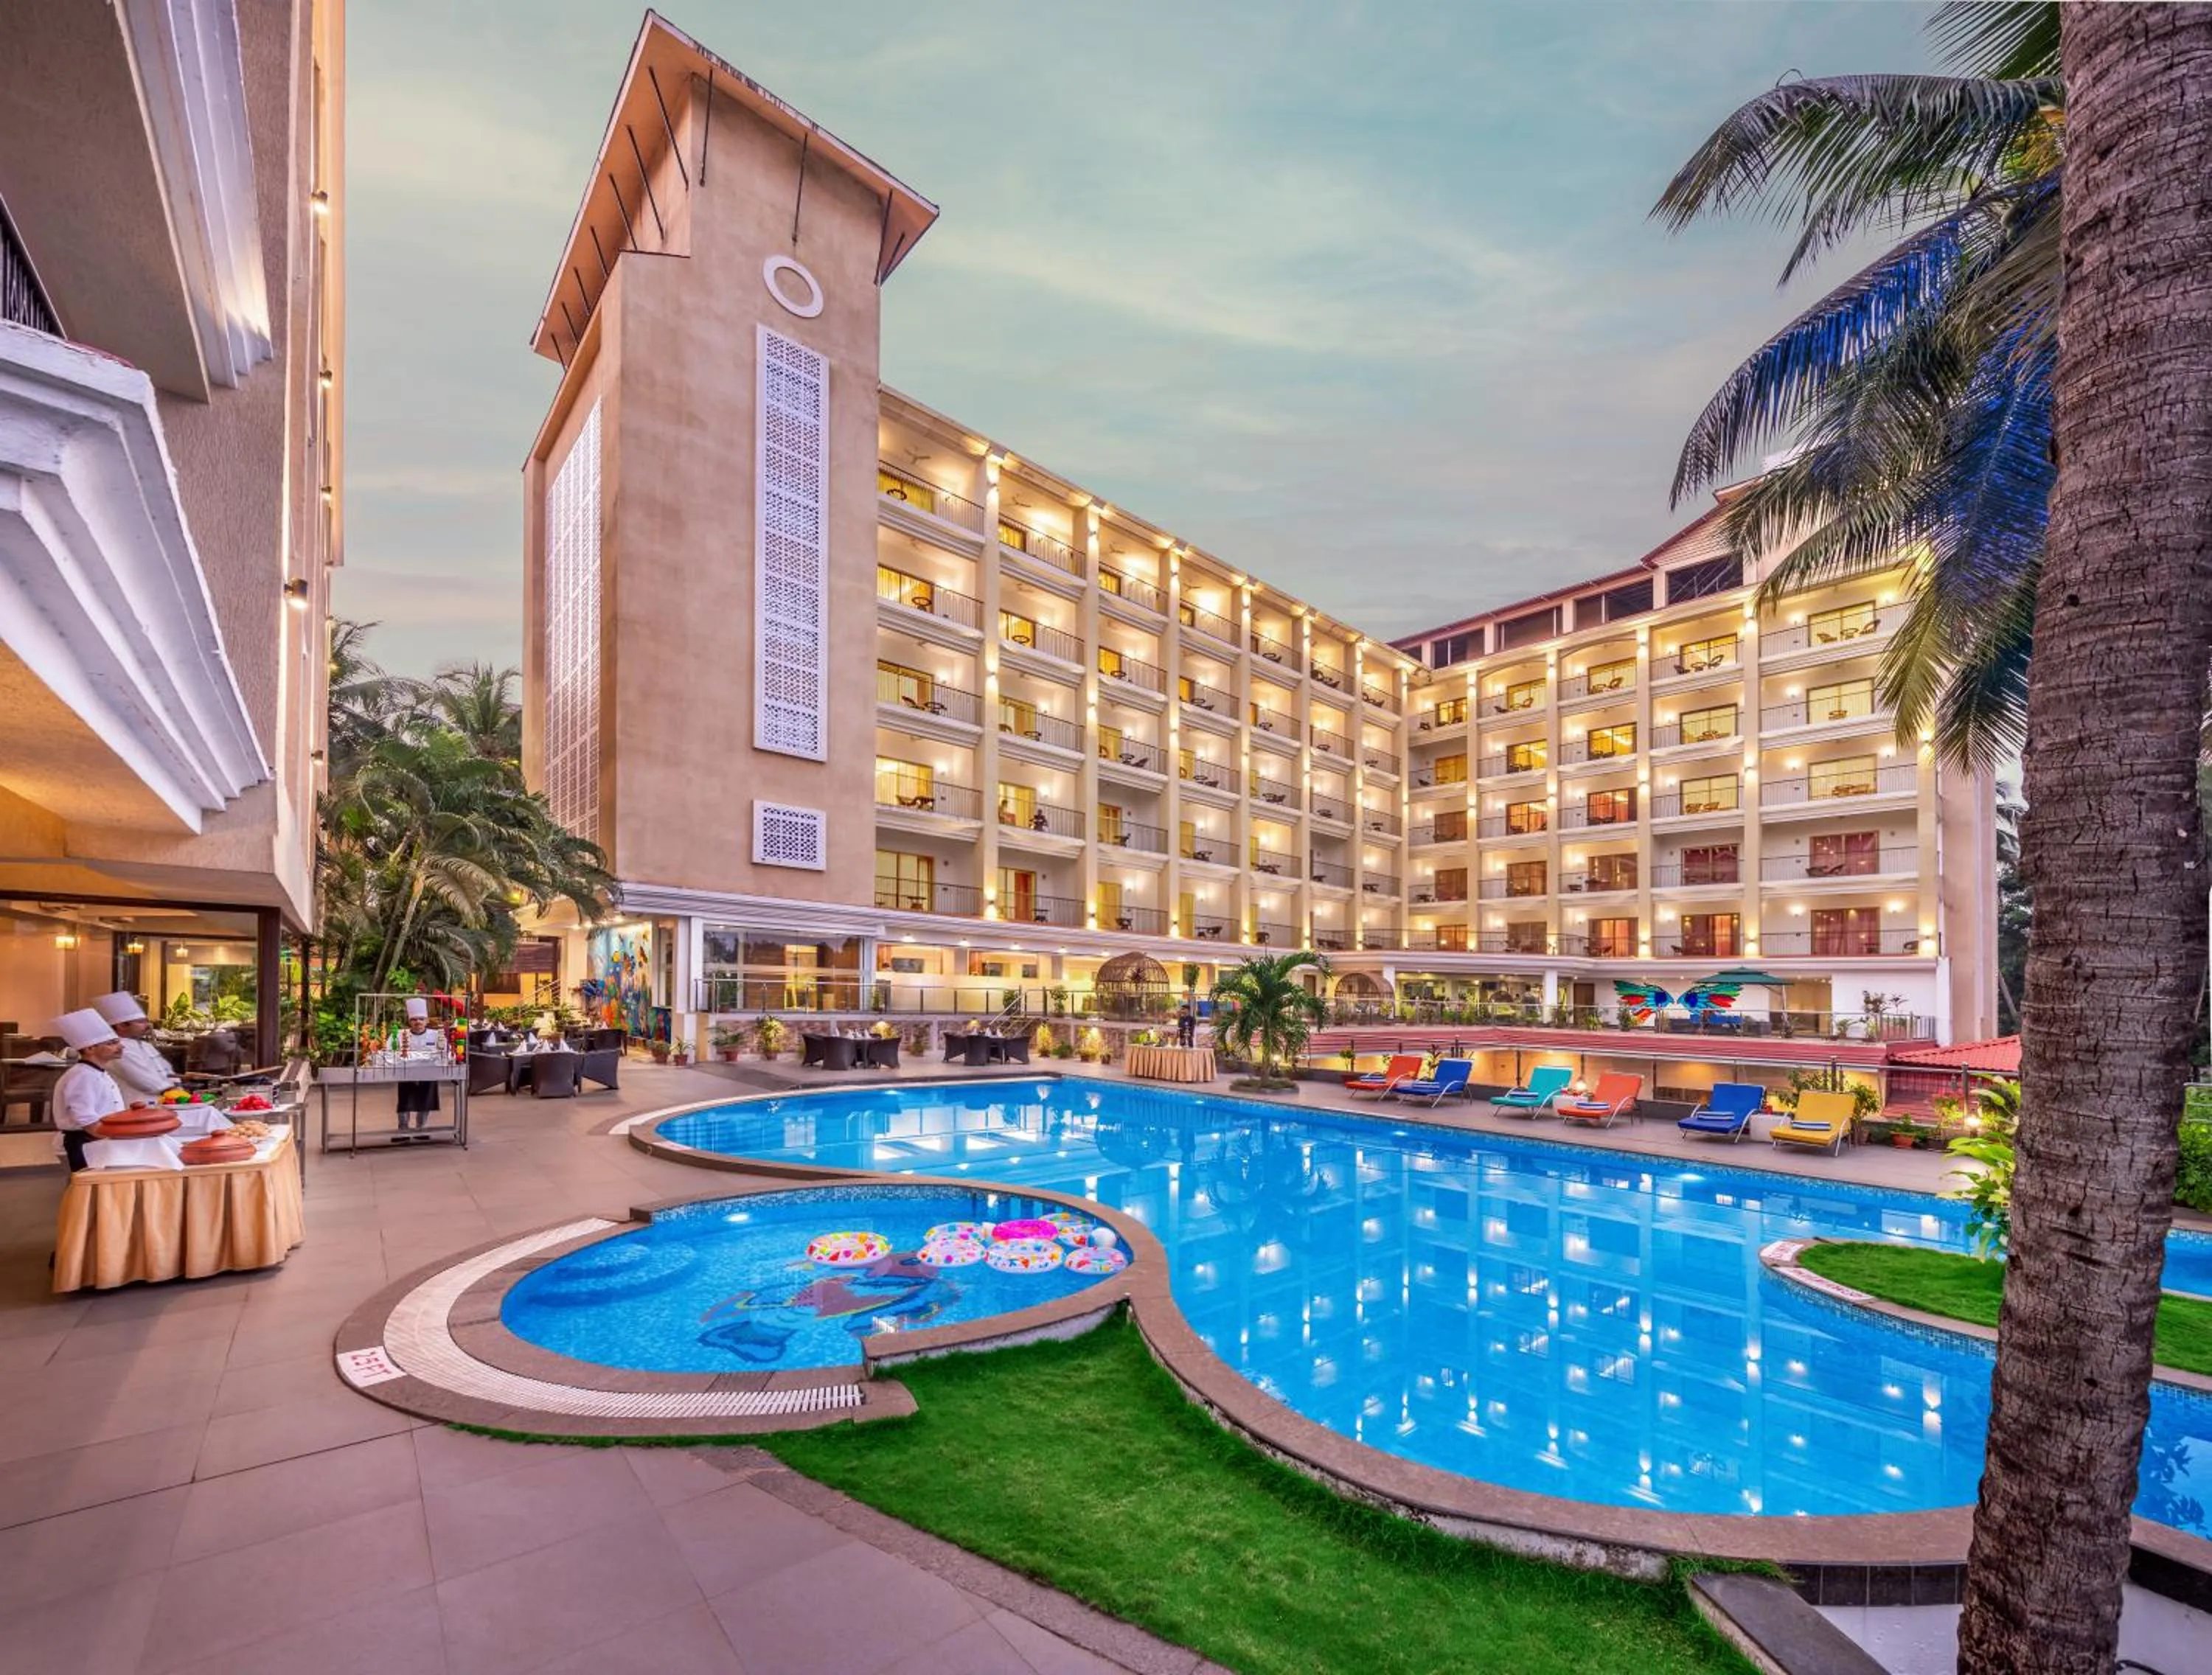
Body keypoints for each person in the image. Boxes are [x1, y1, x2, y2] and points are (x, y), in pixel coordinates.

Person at [49, 1009, 131, 1171]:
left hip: (97, 1138)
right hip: (85, 1141)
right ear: (90, 1049)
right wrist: (118, 1138)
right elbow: (86, 1120)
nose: (121, 1046)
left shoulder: (96, 1072)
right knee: (90, 1185)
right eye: (112, 1043)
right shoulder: (83, 1076)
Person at [90, 991, 179, 1104]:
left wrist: (178, 1085)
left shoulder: (146, 1045)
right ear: (122, 1026)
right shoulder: (117, 1049)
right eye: (141, 1022)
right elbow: (145, 1081)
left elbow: (167, 1069)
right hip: (136, 1105)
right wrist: (174, 1091)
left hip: (166, 1102)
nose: (148, 1025)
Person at [394, 997, 446, 1141]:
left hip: (428, 1073)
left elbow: (444, 1051)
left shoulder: (436, 1035)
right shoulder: (400, 1035)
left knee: (426, 1100)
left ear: (427, 1021)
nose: (418, 1022)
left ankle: (421, 1128)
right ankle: (403, 1129)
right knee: (404, 1102)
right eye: (414, 1019)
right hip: (406, 1073)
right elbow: (391, 1051)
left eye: (421, 1019)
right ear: (409, 1021)